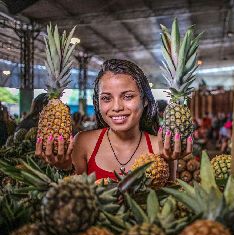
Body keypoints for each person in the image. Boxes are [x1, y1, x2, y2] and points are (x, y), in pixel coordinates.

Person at [35, 59, 192, 180]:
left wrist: (171, 161)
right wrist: (64, 167)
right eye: (106, 98)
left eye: (128, 96)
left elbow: (167, 204)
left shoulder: (160, 147)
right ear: (98, 102)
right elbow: (72, 200)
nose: (116, 107)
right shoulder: (83, 142)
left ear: (145, 100)